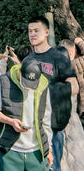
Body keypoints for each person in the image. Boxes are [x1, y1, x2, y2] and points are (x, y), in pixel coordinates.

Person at [26, 15, 77, 171]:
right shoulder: (27, 60)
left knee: (53, 167)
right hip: (32, 126)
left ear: (47, 32)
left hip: (53, 125)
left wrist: (48, 93)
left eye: (36, 30)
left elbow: (74, 86)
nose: (32, 34)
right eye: (29, 31)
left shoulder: (58, 58)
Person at [0, 55, 52, 170]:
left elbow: (46, 120)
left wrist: (48, 149)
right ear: (20, 71)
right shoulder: (3, 81)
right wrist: (10, 121)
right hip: (11, 149)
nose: (29, 87)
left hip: (36, 151)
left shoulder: (43, 84)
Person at [57, 42, 84, 171]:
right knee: (77, 154)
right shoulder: (72, 71)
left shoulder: (52, 78)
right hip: (73, 118)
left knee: (63, 156)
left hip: (57, 122)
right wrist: (79, 41)